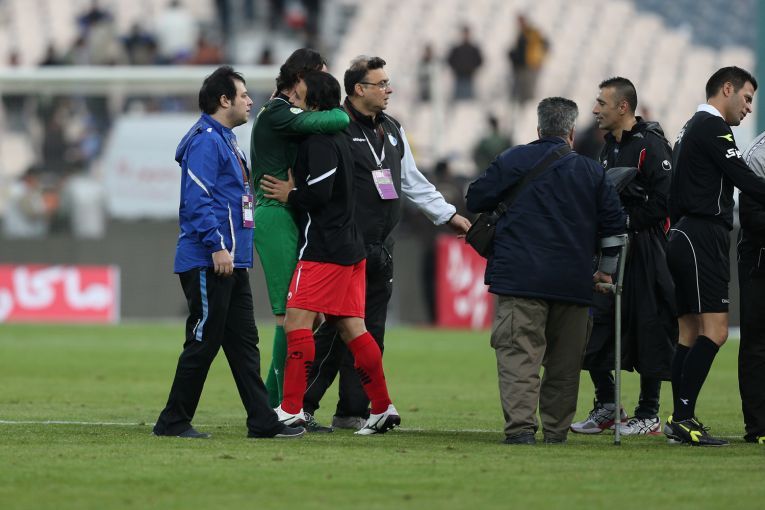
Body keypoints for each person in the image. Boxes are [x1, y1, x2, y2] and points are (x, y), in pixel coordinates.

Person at [299, 56, 472, 430]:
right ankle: (302, 406)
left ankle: (352, 411)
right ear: (359, 89)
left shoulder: (392, 129)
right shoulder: (335, 125)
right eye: (381, 84)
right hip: (344, 247)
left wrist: (448, 215)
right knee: (335, 333)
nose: (388, 90)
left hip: (382, 247)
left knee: (371, 334)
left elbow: (412, 181)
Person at [152, 66, 304, 440]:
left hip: (231, 261)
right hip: (210, 259)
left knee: (244, 344)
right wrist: (217, 246)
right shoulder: (206, 141)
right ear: (224, 100)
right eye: (244, 94)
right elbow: (197, 199)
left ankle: (262, 421)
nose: (250, 101)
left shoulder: (226, 140)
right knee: (203, 340)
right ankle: (172, 421)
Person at [466, 97, 625, 444]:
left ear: (538, 129)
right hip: (574, 281)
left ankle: (521, 429)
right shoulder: (592, 172)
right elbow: (615, 228)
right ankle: (556, 432)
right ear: (571, 132)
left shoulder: (513, 159)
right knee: (565, 364)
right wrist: (605, 272)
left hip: (519, 278)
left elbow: (475, 198)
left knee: (519, 357)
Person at [260, 70, 401, 435]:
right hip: (348, 247)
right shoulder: (338, 136)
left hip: (325, 248)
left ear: (314, 101)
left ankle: (291, 409)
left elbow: (320, 194)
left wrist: (291, 194)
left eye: (299, 95)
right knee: (354, 329)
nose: (293, 101)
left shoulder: (320, 141)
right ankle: (382, 407)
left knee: (296, 323)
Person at [249, 48, 350, 429]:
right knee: (289, 316)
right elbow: (339, 116)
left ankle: (272, 402)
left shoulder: (286, 113)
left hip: (290, 213)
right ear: (299, 78)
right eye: (319, 75)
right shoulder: (277, 112)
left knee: (307, 315)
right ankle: (279, 407)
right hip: (275, 215)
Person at [665, 66, 765, 446]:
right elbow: (744, 178)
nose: (749, 108)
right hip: (701, 235)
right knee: (717, 331)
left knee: (690, 332)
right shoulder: (713, 127)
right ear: (727, 89)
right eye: (747, 98)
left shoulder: (690, 127)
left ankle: (679, 419)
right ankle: (683, 416)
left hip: (683, 233)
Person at [571, 77, 677, 436]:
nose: (594, 110)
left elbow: (665, 202)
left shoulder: (651, 146)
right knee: (595, 325)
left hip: (646, 249)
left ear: (623, 107)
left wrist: (625, 219)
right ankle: (608, 404)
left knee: (649, 325)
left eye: (601, 103)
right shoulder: (607, 149)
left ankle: (648, 413)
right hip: (611, 248)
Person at [738, 131, 765, 445]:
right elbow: (751, 217)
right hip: (760, 262)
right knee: (757, 344)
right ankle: (759, 426)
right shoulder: (759, 155)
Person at [508, 15, 549, 105]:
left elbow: (544, 46)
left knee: (528, 88)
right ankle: (522, 104)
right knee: (521, 88)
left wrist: (539, 60)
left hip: (530, 65)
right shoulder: (521, 34)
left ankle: (528, 106)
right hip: (521, 66)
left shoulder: (532, 33)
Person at [446, 26, 483, 101]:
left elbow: (480, 60)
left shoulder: (473, 49)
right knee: (459, 101)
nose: (465, 35)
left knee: (469, 101)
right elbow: (450, 60)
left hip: (469, 77)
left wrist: (473, 68)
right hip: (459, 77)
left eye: (467, 33)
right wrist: (456, 68)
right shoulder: (457, 49)